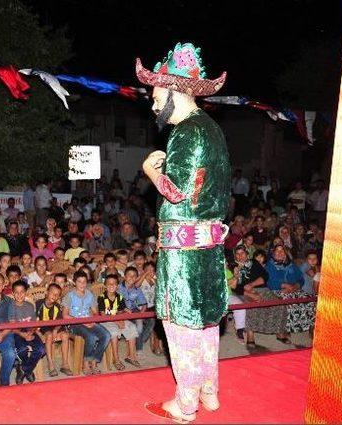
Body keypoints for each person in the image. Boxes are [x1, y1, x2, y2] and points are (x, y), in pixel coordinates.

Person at [137, 42, 230, 422]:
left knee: (181, 326)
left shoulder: (187, 132)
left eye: (158, 96)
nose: (154, 105)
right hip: (208, 246)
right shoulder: (212, 130)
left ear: (177, 91)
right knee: (206, 320)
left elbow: (176, 192)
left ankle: (185, 404)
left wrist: (150, 171)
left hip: (184, 252)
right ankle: (210, 393)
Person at [62, 271, 111, 375]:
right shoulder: (70, 296)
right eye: (79, 282)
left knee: (106, 335)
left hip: (89, 321)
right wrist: (83, 322)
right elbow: (65, 315)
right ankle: (85, 363)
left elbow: (94, 312)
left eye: (84, 282)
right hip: (74, 324)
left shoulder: (89, 294)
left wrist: (92, 320)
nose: (82, 284)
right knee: (91, 337)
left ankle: (94, 360)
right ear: (75, 282)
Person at [98, 274, 141, 370]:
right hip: (106, 321)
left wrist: (125, 312)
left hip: (118, 318)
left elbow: (121, 311)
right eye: (109, 284)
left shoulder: (120, 297)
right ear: (105, 285)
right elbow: (103, 315)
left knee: (132, 327)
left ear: (117, 286)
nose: (111, 285)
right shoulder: (101, 297)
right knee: (114, 332)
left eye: (114, 284)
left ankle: (131, 356)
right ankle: (116, 359)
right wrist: (117, 321)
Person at [9, 280, 46, 384]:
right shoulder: (10, 307)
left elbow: (34, 323)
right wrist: (22, 334)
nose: (19, 294)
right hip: (16, 332)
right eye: (17, 292)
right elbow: (11, 326)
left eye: (22, 292)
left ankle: (24, 369)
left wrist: (30, 332)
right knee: (21, 349)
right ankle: (28, 370)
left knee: (41, 350)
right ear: (13, 293)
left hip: (30, 330)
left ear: (26, 293)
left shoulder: (29, 306)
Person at [35, 283, 73, 377]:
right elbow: (33, 323)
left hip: (54, 328)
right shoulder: (38, 304)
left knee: (65, 335)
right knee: (49, 335)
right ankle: (51, 365)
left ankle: (65, 364)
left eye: (57, 295)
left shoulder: (57, 306)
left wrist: (56, 329)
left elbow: (60, 321)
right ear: (47, 293)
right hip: (42, 328)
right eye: (52, 293)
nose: (55, 296)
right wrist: (39, 334)